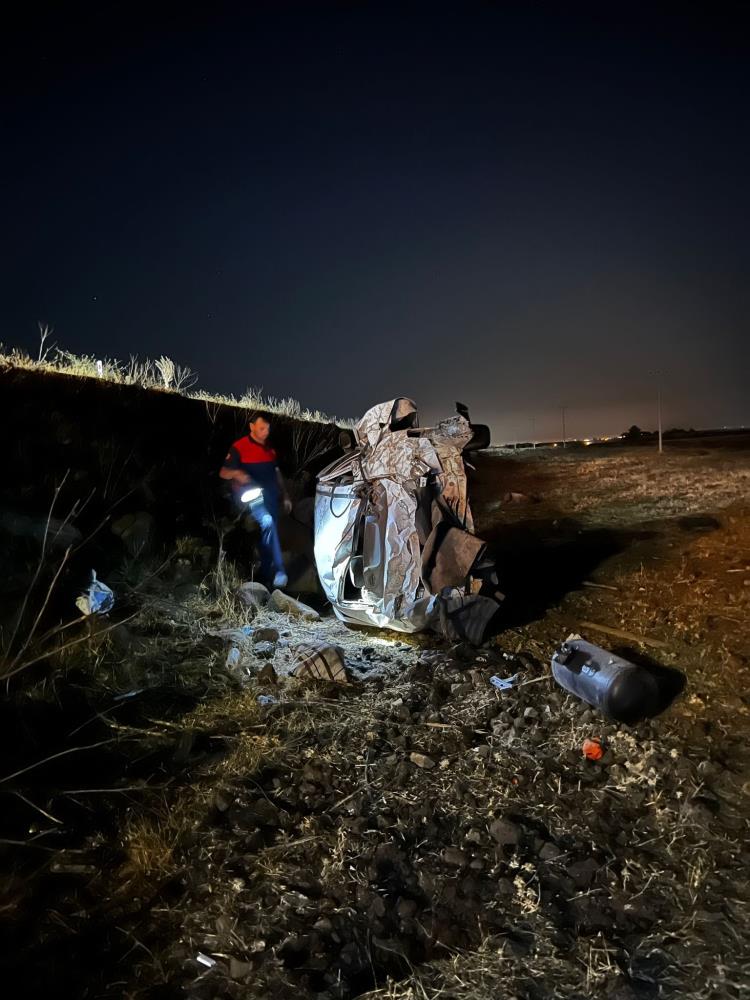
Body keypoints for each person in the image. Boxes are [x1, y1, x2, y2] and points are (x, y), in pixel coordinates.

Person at [219, 411, 292, 589]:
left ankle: (264, 576)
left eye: (267, 428)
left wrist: (286, 495)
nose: (266, 432)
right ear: (252, 427)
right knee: (267, 522)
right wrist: (237, 472)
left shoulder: (270, 449)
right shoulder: (239, 447)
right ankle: (280, 570)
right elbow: (223, 472)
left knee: (270, 530)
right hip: (252, 495)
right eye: (261, 428)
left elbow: (276, 472)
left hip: (271, 495)